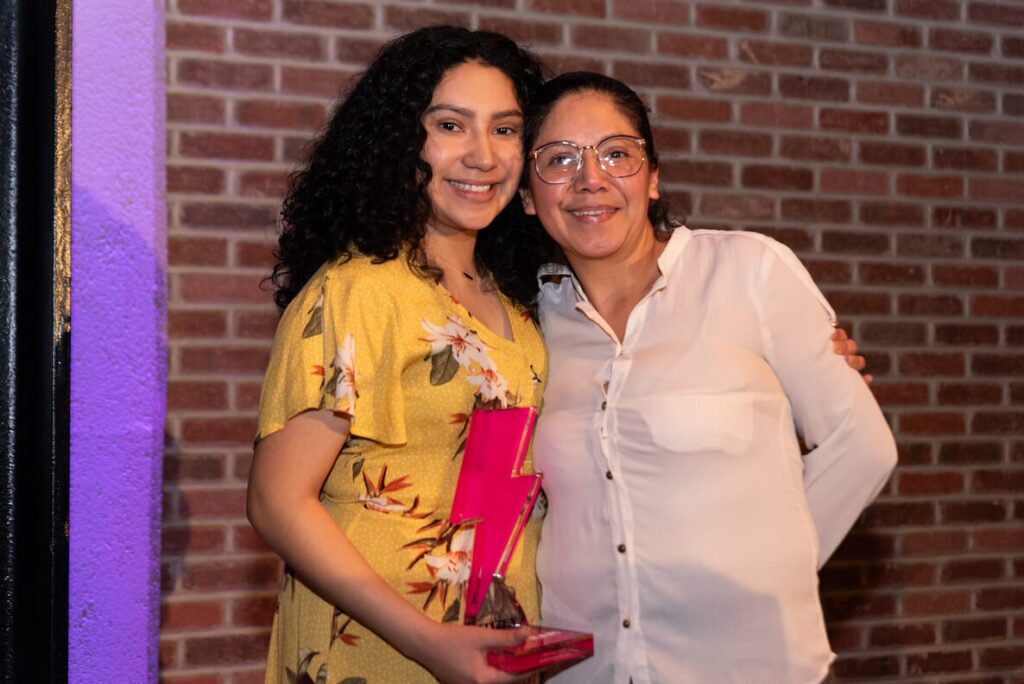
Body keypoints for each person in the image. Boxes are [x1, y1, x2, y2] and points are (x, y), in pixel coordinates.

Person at [518, 72, 898, 683]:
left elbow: (863, 446)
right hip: (588, 670)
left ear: (653, 176)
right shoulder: (528, 323)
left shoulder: (748, 271)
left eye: (617, 153)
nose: (591, 179)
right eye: (559, 159)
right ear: (528, 196)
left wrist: (765, 582)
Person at [247, 26, 551, 683]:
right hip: (376, 647)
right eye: (450, 125)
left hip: (490, 644)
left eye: (505, 129)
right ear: (397, 142)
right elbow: (277, 501)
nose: (482, 156)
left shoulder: (519, 303)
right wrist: (426, 641)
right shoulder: (358, 290)